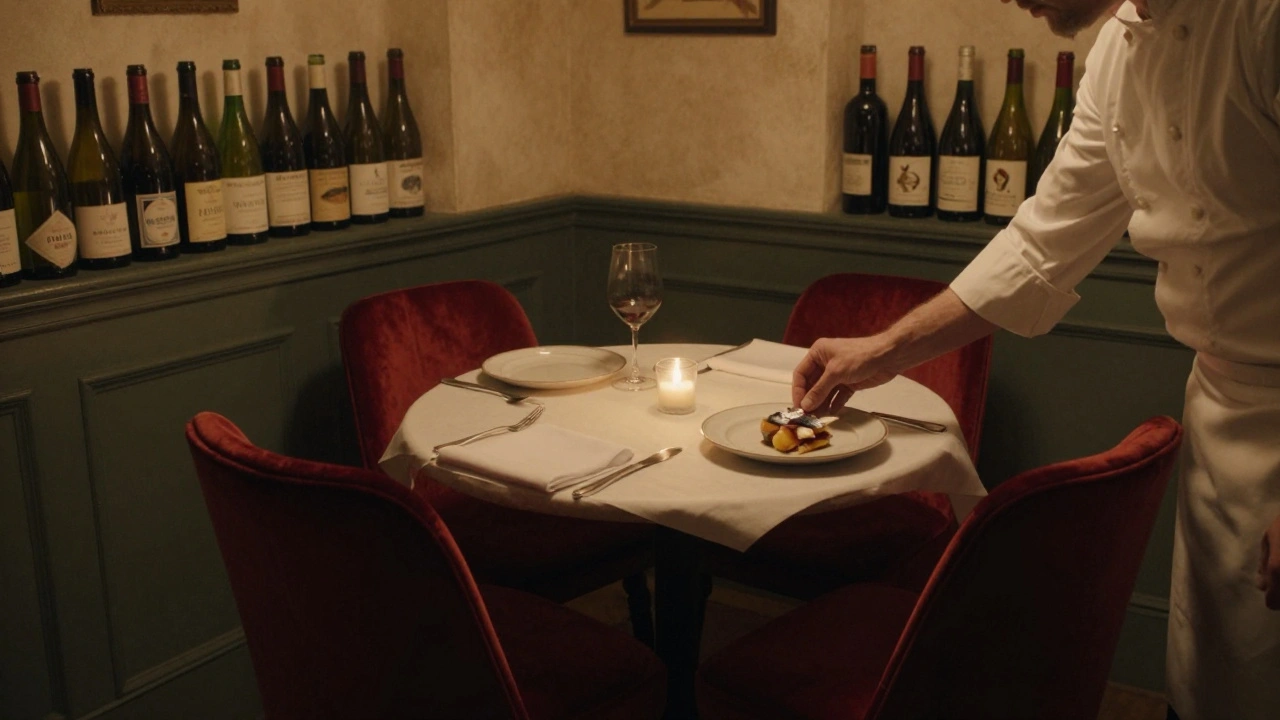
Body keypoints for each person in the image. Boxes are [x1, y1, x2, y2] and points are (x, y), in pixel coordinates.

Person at [791, 1, 1280, 718]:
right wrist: (882, 350)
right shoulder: (1115, 55)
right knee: (1214, 692)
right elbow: (1039, 244)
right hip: (1218, 411)